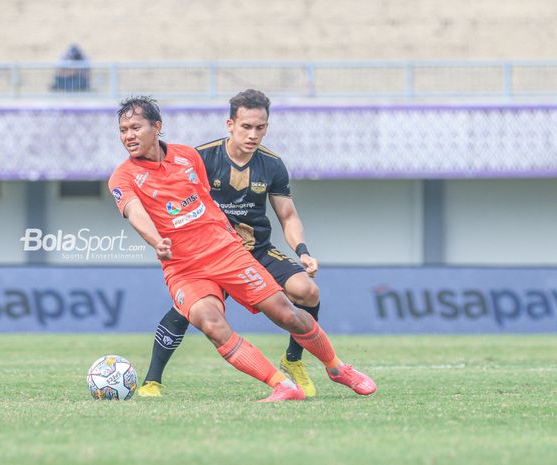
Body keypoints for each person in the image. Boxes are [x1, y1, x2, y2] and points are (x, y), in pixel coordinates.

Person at [108, 96, 376, 402]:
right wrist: (157, 240)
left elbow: (206, 201)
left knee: (285, 312)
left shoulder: (187, 157)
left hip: (227, 252)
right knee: (210, 324)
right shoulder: (123, 176)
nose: (128, 136)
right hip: (184, 267)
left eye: (135, 127)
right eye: (123, 129)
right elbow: (134, 212)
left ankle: (337, 367)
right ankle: (281, 385)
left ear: (157, 127)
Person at [138, 89, 324, 398]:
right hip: (212, 251)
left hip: (257, 250)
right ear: (230, 125)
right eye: (246, 127)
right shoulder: (200, 158)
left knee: (307, 291)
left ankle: (292, 361)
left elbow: (288, 215)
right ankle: (151, 381)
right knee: (189, 309)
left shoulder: (272, 165)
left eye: (260, 127)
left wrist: (302, 251)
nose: (253, 135)